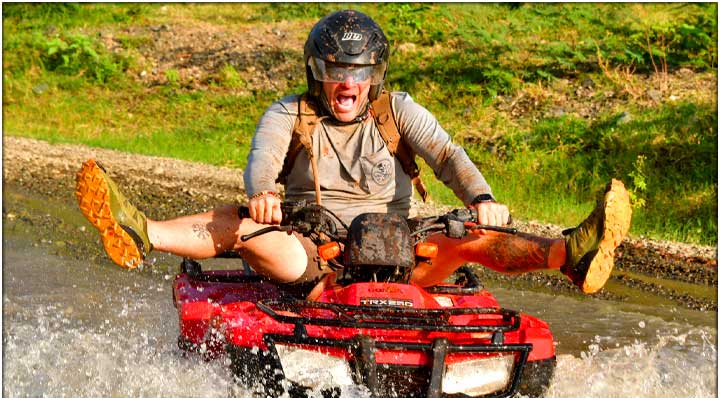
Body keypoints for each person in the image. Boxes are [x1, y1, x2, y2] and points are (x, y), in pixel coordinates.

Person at [75, 9, 632, 294]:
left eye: (358, 74)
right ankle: (139, 230)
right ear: (319, 74)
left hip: (404, 256)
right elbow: (260, 162)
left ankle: (571, 255)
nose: (348, 84)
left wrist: (482, 197)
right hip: (316, 253)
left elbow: (447, 155)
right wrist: (263, 196)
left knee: (465, 239)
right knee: (247, 227)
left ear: (373, 76)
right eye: (337, 72)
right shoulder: (287, 113)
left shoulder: (398, 110)